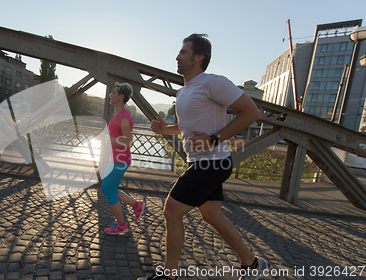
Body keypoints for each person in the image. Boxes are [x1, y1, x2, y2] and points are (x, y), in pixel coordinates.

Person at [139, 34, 268, 280]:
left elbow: (252, 112)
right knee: (212, 216)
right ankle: (252, 264)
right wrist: (165, 130)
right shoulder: (183, 91)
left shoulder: (213, 83)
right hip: (202, 162)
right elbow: (186, 125)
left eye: (183, 52)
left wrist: (214, 138)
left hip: (212, 162)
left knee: (171, 211)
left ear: (199, 57)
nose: (177, 57)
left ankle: (169, 276)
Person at [101, 82, 145, 235]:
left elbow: (128, 142)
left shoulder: (124, 118)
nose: (110, 95)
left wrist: (108, 139)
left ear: (121, 97)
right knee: (106, 187)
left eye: (113, 93)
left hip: (121, 160)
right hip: (115, 159)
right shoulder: (117, 114)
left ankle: (121, 225)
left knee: (110, 190)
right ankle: (136, 205)